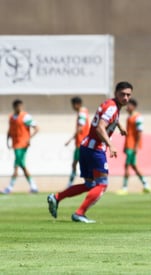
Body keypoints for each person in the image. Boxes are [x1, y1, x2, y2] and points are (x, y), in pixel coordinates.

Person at [47, 81, 132, 223]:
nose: (126, 98)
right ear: (116, 93)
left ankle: (56, 197)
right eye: (122, 94)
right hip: (95, 149)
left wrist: (119, 126)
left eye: (128, 95)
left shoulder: (109, 104)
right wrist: (110, 144)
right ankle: (79, 213)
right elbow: (100, 127)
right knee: (102, 184)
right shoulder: (112, 108)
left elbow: (109, 118)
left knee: (90, 185)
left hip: (86, 146)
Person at [3, 99, 39, 194]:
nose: (19, 108)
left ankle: (9, 187)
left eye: (21, 106)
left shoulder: (25, 117)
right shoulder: (11, 117)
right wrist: (7, 141)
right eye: (18, 106)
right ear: (14, 107)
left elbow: (36, 128)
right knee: (22, 166)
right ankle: (33, 186)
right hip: (15, 144)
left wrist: (29, 138)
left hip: (22, 144)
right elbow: (9, 130)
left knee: (16, 165)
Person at [117, 98, 151, 195]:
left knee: (127, 165)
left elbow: (140, 133)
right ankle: (146, 185)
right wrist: (125, 145)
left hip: (132, 146)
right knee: (134, 166)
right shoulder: (129, 118)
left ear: (133, 106)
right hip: (129, 145)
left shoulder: (138, 118)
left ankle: (124, 188)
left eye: (128, 105)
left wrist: (136, 146)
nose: (127, 107)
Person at [65, 96, 90, 187]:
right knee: (79, 164)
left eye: (73, 105)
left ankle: (71, 184)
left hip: (81, 143)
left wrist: (70, 139)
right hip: (83, 143)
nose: (72, 107)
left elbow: (80, 127)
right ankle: (87, 182)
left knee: (77, 164)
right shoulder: (83, 112)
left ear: (77, 104)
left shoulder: (82, 113)